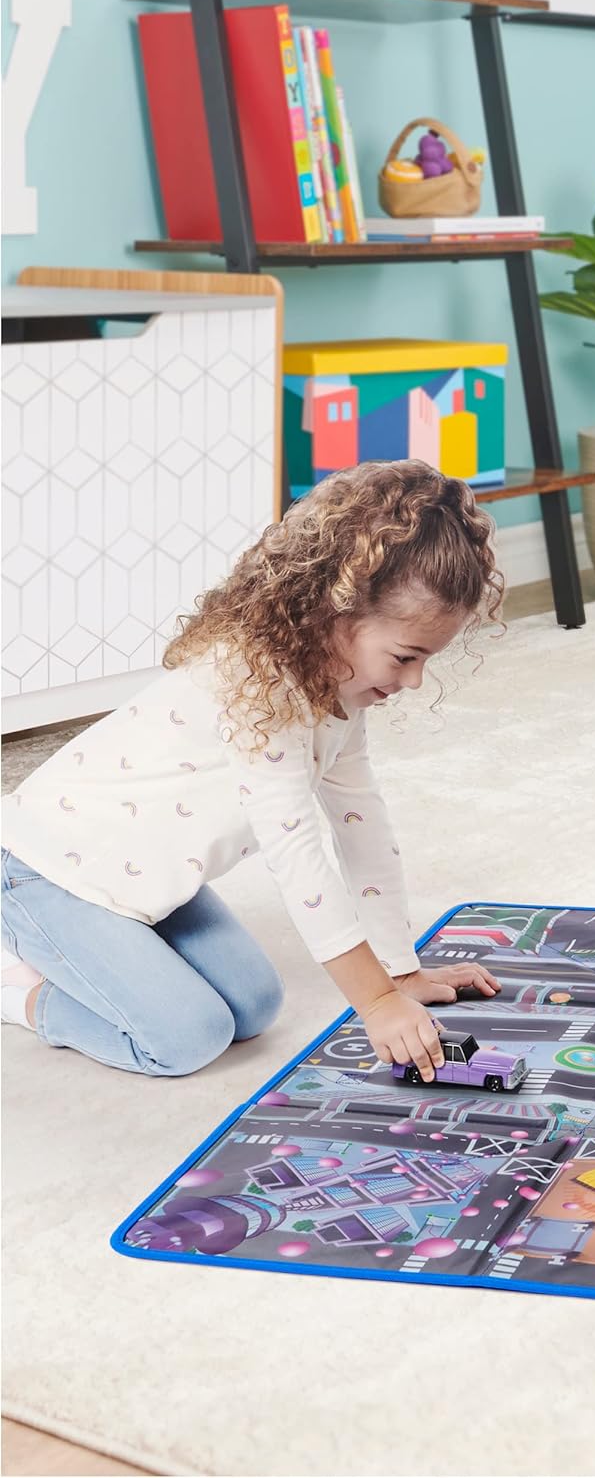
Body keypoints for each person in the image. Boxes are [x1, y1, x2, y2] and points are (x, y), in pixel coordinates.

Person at [0, 460, 505, 1078]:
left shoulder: (336, 694)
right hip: (48, 870)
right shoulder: (255, 688)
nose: (414, 680)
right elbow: (300, 857)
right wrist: (374, 1002)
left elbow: (361, 828)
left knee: (255, 1007)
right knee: (187, 1038)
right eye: (405, 656)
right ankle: (20, 992)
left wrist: (399, 972)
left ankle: (102, 956)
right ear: (334, 614)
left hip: (144, 879)